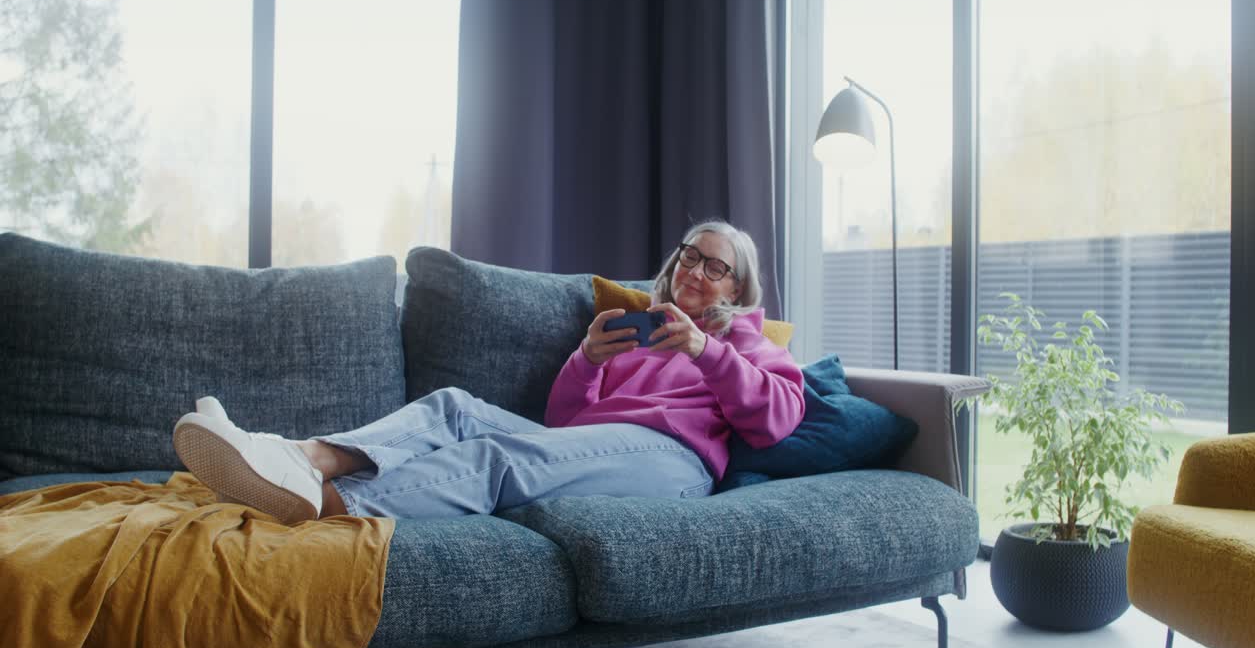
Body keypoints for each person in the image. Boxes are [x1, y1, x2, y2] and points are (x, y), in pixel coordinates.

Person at [173, 221, 805, 523]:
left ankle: (323, 506)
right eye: (690, 255)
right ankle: (295, 459)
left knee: (498, 457)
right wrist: (587, 358)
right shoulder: (638, 330)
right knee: (456, 407)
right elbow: (562, 424)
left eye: (715, 266)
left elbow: (777, 418)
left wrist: (705, 350)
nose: (695, 270)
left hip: (673, 463)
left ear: (738, 285)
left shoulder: (747, 339)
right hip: (595, 447)